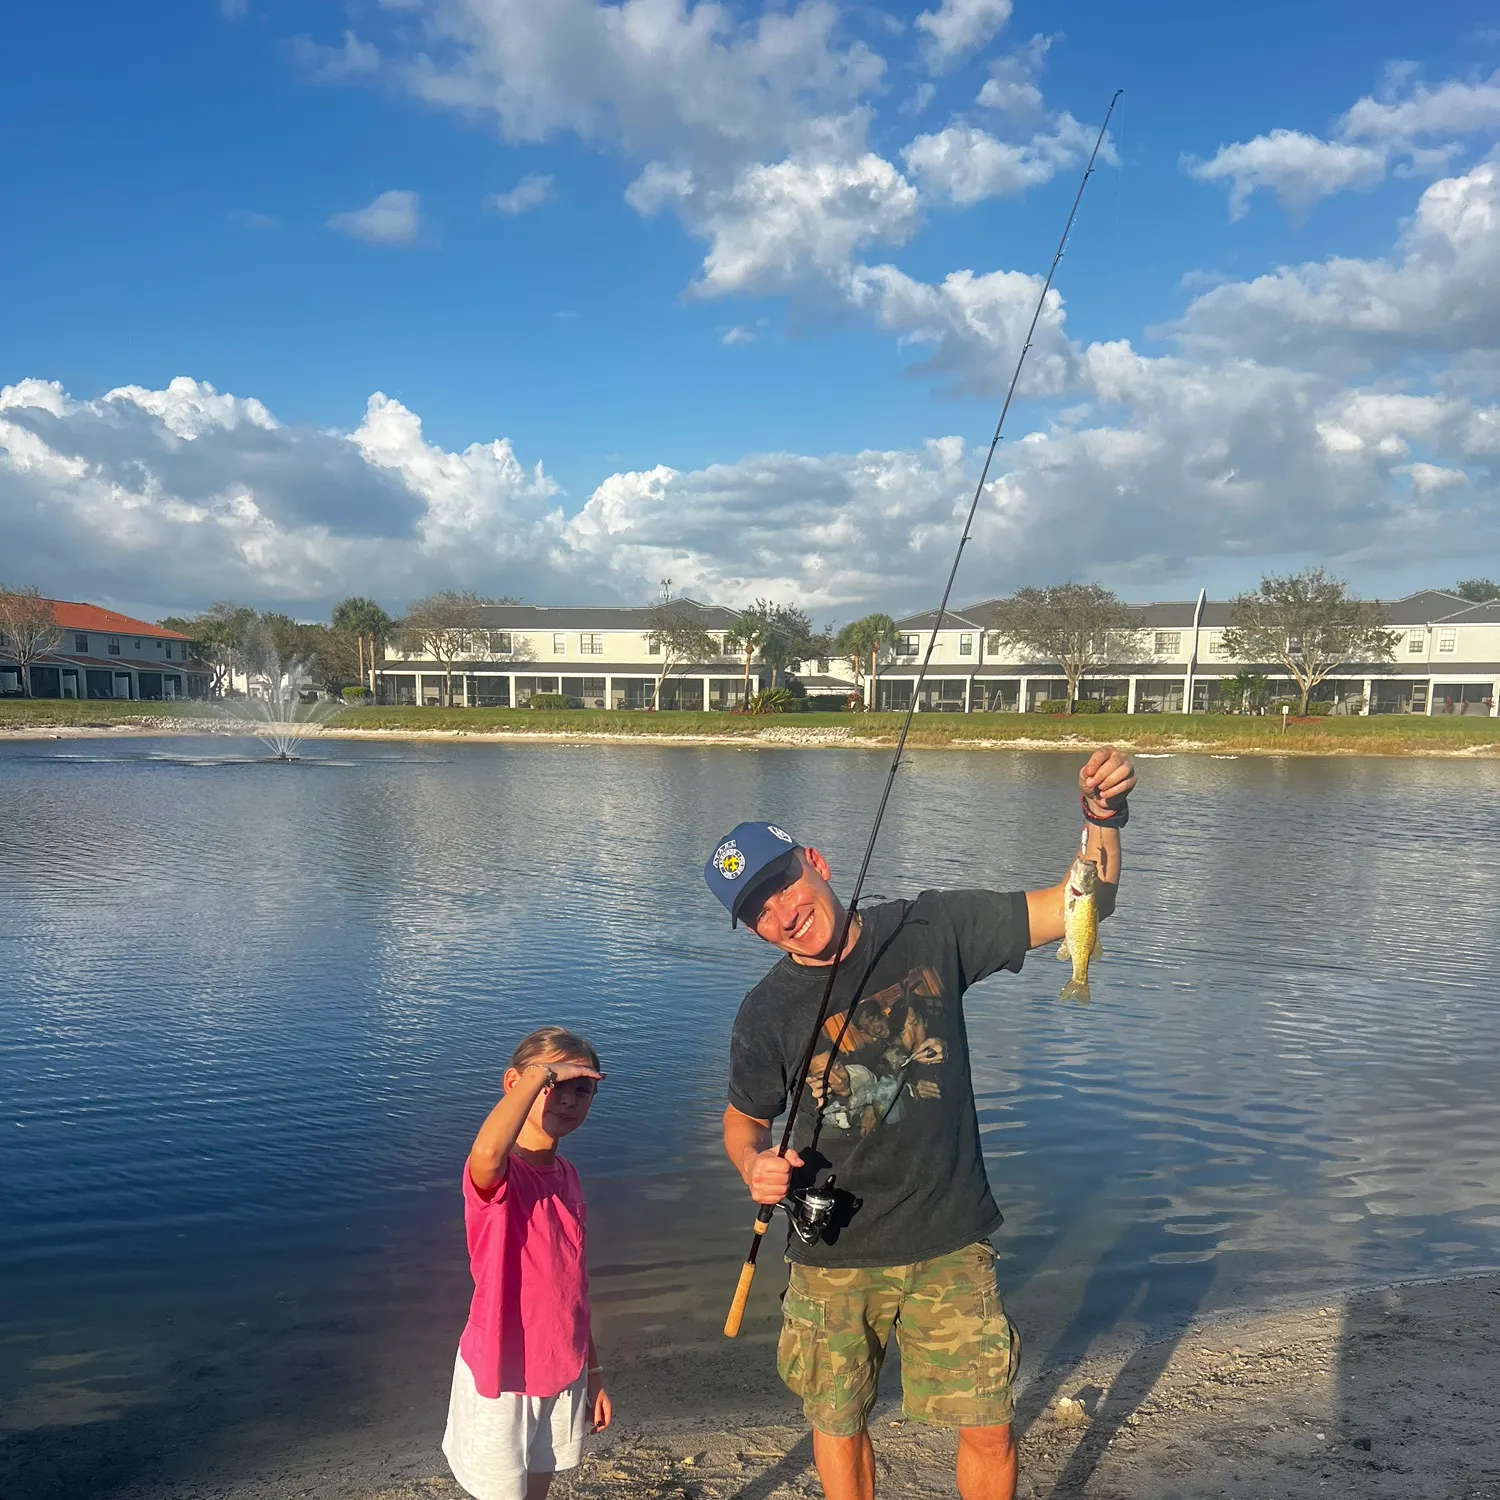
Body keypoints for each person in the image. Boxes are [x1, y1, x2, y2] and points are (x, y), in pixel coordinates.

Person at [706, 748, 1136, 1500]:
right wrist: (752, 1165)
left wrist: (1101, 817)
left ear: (815, 862)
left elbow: (1082, 903)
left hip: (950, 1239)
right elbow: (743, 1121)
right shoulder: (765, 1013)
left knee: (989, 1425)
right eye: (757, 911)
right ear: (749, 931)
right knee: (837, 1426)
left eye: (781, 884)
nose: (782, 913)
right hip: (832, 1255)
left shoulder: (932, 926)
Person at [442, 1026, 613, 1500]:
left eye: (583, 1090)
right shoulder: (498, 1175)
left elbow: (569, 1287)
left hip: (562, 1367)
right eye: (554, 1086)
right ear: (513, 1083)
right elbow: (488, 1150)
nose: (568, 1099)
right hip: (502, 1376)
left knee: (540, 1485)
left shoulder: (567, 1175)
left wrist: (593, 1372)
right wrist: (539, 1075)